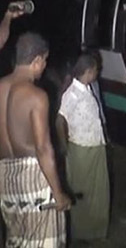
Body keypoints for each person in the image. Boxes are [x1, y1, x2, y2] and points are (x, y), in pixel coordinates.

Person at [0, 32, 71, 247]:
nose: (44, 67)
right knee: (44, 239)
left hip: (4, 177)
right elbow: (43, 149)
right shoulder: (36, 96)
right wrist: (58, 195)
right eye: (45, 61)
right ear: (37, 60)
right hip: (34, 178)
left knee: (17, 238)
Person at [56, 53, 109, 242]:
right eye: (96, 70)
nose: (98, 72)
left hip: (95, 146)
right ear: (88, 71)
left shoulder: (87, 89)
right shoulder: (72, 93)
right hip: (81, 149)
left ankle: (95, 230)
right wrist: (65, 146)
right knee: (82, 192)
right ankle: (81, 232)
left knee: (98, 191)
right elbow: (60, 119)